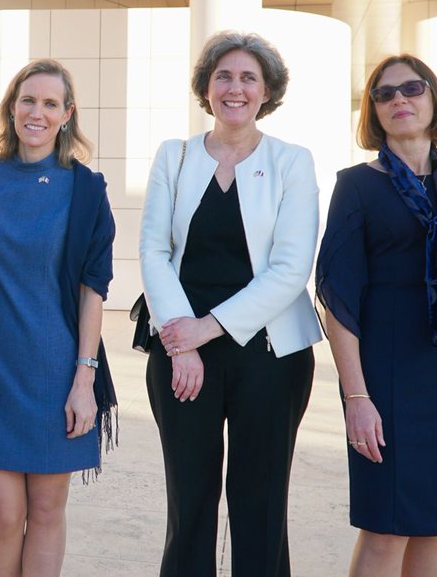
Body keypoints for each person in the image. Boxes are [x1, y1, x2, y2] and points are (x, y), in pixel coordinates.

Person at [315, 55, 437, 577]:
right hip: (389, 374)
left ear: (433, 99)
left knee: (433, 525)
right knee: (385, 528)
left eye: (412, 88)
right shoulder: (357, 185)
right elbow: (337, 297)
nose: (399, 99)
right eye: (384, 94)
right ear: (373, 111)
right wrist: (356, 396)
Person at [138, 30, 322, 576]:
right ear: (206, 87)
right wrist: (182, 340)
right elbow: (153, 250)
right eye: (223, 76)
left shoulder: (292, 161)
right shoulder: (174, 156)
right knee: (189, 502)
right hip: (179, 352)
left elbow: (291, 268)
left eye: (248, 78)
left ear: (267, 92)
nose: (234, 88)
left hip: (269, 353)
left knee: (260, 505)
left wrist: (207, 328)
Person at [0, 58, 117, 577]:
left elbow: (93, 290)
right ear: (12, 108)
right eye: (27, 100)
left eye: (49, 103)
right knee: (6, 514)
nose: (36, 112)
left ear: (67, 114)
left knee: (45, 511)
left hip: (57, 371)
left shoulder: (86, 189)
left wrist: (84, 380)